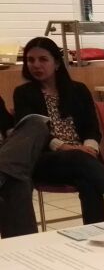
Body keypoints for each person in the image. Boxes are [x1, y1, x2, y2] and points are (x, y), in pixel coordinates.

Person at [13, 37, 104, 225]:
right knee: (82, 161)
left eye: (43, 59)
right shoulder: (23, 93)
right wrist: (68, 148)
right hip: (46, 160)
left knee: (88, 179)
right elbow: (31, 133)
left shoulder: (78, 90)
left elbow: (92, 127)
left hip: (83, 159)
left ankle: (95, 231)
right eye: (30, 60)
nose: (36, 65)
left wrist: (89, 148)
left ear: (57, 63)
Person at [0, 96, 50, 237]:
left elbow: (10, 131)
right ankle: (22, 250)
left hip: (5, 155)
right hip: (9, 163)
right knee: (17, 180)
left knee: (37, 124)